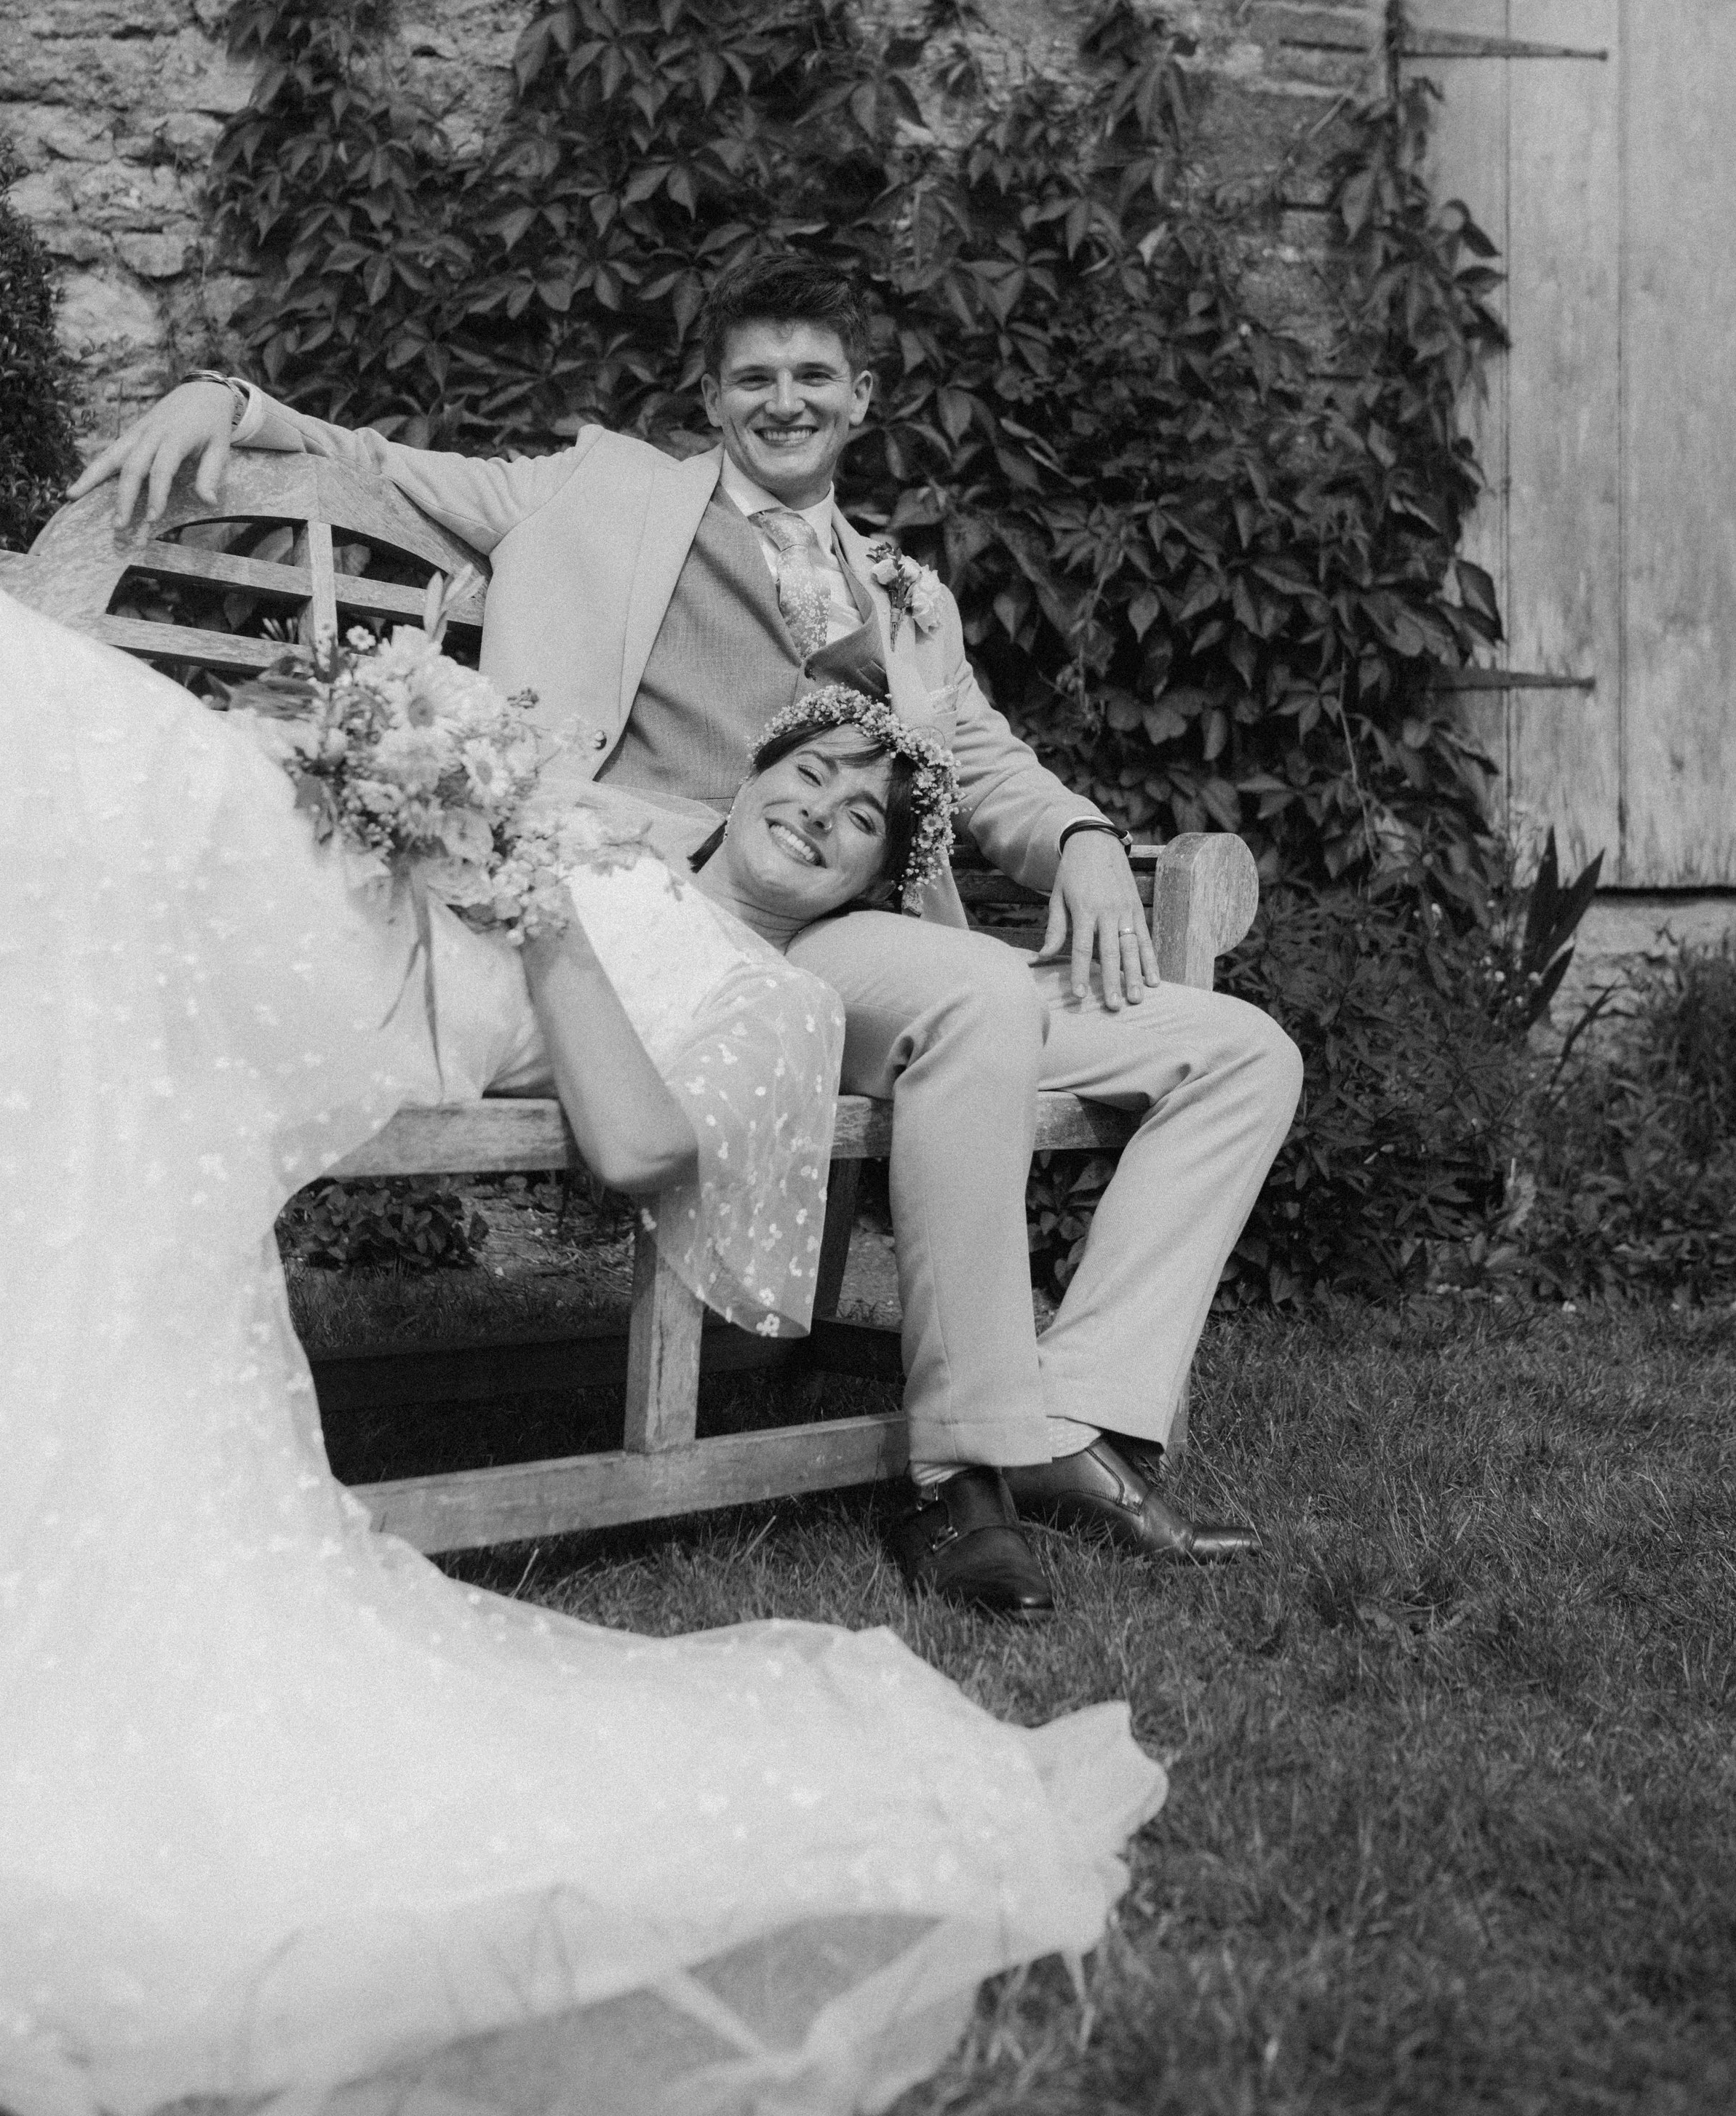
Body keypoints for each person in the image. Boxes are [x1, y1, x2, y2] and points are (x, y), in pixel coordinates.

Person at [0, 547, 1166, 2116]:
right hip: (326, 900)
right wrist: (396, 767)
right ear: (753, 770)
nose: (822, 804)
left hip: (339, 975)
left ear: (868, 885)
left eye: (862, 816)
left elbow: (645, 1148)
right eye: (812, 767)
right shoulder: (609, 833)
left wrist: (532, 888)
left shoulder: (768, 1001)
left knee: (19, 727)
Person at [71, 252, 1304, 1618]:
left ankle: (1081, 1422)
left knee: (1240, 1051)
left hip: (875, 927)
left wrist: (1078, 838)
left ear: (861, 400)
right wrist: (225, 394)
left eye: (813, 377)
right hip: (697, 916)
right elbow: (380, 461)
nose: (786, 401)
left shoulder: (907, 594)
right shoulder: (597, 491)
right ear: (712, 399)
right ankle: (962, 1476)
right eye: (756, 378)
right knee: (975, 999)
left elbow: (984, 765)